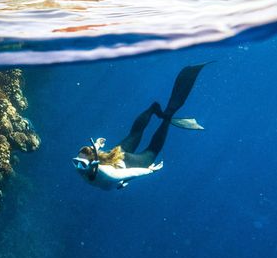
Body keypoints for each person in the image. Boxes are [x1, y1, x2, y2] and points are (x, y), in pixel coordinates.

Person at [72, 64, 208, 190]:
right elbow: (92, 156)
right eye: (76, 162)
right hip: (114, 156)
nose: (78, 167)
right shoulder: (89, 167)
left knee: (152, 151)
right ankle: (152, 109)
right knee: (134, 135)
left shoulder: (108, 174)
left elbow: (133, 171)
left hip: (126, 163)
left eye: (81, 164)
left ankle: (168, 115)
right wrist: (96, 145)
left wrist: (150, 170)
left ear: (93, 164)